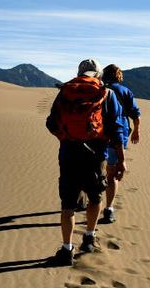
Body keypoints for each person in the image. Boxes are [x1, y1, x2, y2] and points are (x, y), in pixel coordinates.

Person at [45, 59, 126, 266]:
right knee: (95, 196)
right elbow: (117, 128)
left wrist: (66, 137)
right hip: (96, 155)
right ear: (98, 74)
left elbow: (51, 122)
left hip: (68, 154)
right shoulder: (107, 94)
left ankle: (66, 249)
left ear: (79, 72)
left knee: (68, 204)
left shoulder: (65, 92)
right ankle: (89, 237)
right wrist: (121, 158)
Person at [99, 64, 141, 224]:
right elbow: (136, 114)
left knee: (94, 170)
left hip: (96, 136)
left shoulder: (98, 89)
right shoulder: (124, 91)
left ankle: (88, 201)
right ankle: (108, 209)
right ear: (118, 76)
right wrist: (136, 130)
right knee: (112, 174)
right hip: (118, 136)